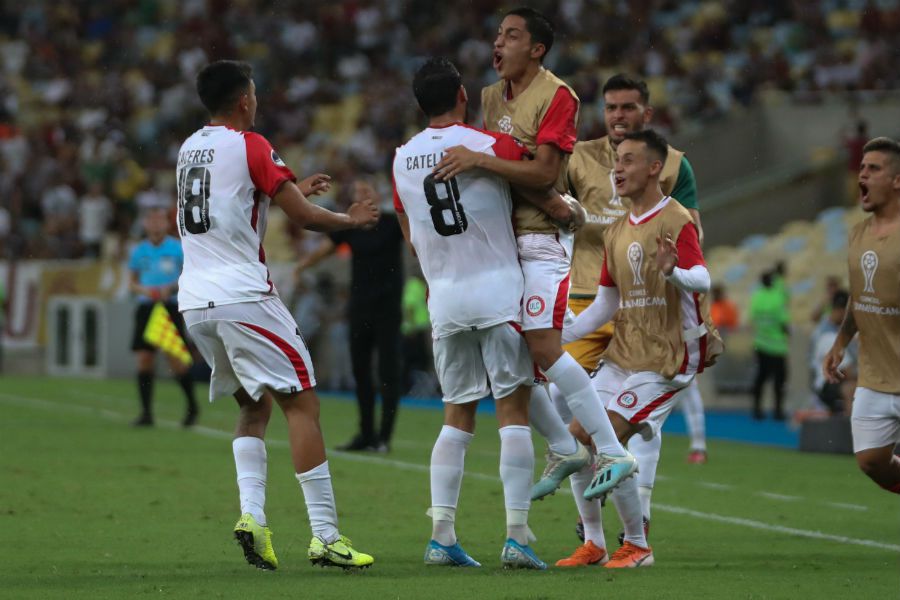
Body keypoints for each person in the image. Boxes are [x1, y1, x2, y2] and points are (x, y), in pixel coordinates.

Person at [176, 60, 377, 571]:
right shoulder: (252, 143)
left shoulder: (189, 148)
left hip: (196, 301)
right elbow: (305, 220)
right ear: (244, 100)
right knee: (302, 405)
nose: (257, 99)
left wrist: (287, 187)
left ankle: (252, 518)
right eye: (254, 91)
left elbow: (228, 203)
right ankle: (327, 538)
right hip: (244, 295)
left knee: (253, 407)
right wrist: (350, 221)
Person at [434, 6, 628, 503]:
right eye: (498, 34)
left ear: (537, 49)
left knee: (541, 345)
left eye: (512, 36)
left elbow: (542, 172)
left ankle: (611, 449)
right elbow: (509, 168)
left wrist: (482, 159)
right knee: (517, 365)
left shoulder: (558, 95)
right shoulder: (492, 96)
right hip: (505, 243)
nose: (498, 43)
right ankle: (564, 447)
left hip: (542, 241)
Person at [395, 56, 566, 570]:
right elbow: (540, 172)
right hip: (496, 291)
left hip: (444, 296)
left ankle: (441, 535)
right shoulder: (488, 146)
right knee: (512, 412)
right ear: (463, 95)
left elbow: (410, 231)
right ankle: (516, 535)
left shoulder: (401, 158)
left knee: (456, 416)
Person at [558, 74, 709, 564]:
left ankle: (637, 541)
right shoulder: (615, 223)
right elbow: (603, 303)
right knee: (576, 437)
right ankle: (596, 542)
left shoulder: (676, 209)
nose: (616, 170)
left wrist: (676, 272)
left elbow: (701, 274)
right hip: (613, 329)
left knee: (609, 436)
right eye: (611, 109)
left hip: (665, 347)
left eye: (626, 162)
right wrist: (559, 330)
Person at [296, 181, 405, 453]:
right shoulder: (350, 227)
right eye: (359, 193)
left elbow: (416, 239)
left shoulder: (393, 224)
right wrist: (302, 265)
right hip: (359, 308)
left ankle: (384, 437)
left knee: (387, 372)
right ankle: (365, 433)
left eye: (368, 191)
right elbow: (326, 248)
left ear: (379, 196)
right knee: (360, 372)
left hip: (387, 308)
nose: (364, 195)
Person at [824, 136, 900, 496]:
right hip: (875, 374)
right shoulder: (857, 234)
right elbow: (860, 295)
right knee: (871, 460)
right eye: (862, 167)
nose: (862, 175)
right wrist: (841, 340)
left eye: (874, 169)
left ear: (897, 180)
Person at [128, 207, 197, 427]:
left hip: (169, 306)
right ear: (146, 224)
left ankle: (192, 406)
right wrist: (144, 290)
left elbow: (189, 275)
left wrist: (172, 287)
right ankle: (146, 413)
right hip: (147, 307)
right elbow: (131, 282)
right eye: (151, 220)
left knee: (176, 361)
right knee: (144, 359)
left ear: (167, 225)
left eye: (159, 220)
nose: (156, 224)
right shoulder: (139, 251)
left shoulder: (177, 248)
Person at [749, 270, 791, 420]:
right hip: (778, 346)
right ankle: (778, 412)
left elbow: (752, 317)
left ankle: (757, 410)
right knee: (779, 382)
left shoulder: (757, 297)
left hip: (760, 344)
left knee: (760, 379)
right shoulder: (777, 297)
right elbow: (783, 322)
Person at [810, 289, 854, 415]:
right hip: (825, 383)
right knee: (855, 389)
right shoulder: (829, 336)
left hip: (822, 377)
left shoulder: (825, 324)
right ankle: (850, 429)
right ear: (842, 311)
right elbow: (848, 372)